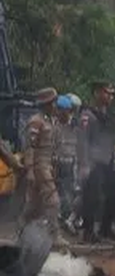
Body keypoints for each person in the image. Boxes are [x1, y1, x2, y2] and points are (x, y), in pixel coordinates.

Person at [78, 81, 115, 243]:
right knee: (92, 196)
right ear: (96, 93)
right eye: (107, 92)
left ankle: (106, 228)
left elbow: (111, 140)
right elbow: (82, 141)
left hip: (108, 159)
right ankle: (88, 232)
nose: (110, 96)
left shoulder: (108, 115)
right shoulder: (87, 115)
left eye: (112, 93)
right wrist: (84, 164)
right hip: (93, 161)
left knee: (114, 193)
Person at [21, 87, 65, 245]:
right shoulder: (36, 121)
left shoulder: (51, 121)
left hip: (48, 165)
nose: (56, 106)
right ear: (46, 104)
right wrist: (30, 170)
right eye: (53, 103)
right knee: (53, 201)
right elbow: (29, 147)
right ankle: (55, 235)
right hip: (39, 165)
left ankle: (23, 231)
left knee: (34, 204)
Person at [53, 95, 78, 230]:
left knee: (69, 192)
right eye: (59, 110)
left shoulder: (75, 124)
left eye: (65, 111)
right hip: (58, 163)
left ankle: (69, 218)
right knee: (59, 191)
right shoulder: (54, 125)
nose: (60, 113)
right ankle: (61, 217)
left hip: (71, 163)